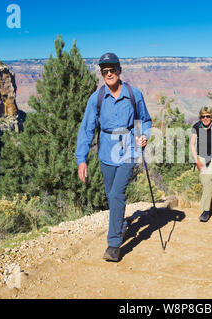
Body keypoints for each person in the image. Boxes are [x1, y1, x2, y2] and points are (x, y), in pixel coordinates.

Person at [75, 52, 152, 262]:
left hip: (128, 150)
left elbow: (145, 120)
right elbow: (87, 129)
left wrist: (144, 135)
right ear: (101, 73)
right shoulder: (97, 98)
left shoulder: (134, 94)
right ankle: (122, 225)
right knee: (111, 195)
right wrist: (81, 158)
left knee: (117, 193)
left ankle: (114, 244)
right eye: (104, 71)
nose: (109, 74)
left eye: (112, 69)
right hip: (106, 153)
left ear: (119, 70)